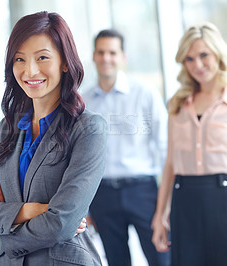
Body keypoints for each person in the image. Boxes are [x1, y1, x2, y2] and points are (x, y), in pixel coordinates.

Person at [0, 11, 107, 265]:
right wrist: (33, 209)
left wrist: (5, 226)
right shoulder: (7, 130)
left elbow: (61, 224)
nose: (30, 70)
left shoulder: (88, 128)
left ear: (65, 62)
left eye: (42, 57)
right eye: (20, 59)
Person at [82, 29, 170, 266]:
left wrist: (166, 203)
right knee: (116, 261)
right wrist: (85, 206)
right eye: (101, 52)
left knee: (162, 259)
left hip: (143, 191)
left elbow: (165, 148)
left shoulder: (145, 93)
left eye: (112, 52)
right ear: (93, 56)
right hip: (103, 194)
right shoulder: (84, 101)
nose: (106, 58)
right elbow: (80, 158)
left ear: (123, 56)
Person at [151, 22, 227, 266]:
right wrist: (160, 215)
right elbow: (170, 164)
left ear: (218, 53)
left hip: (226, 198)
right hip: (184, 199)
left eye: (203, 55)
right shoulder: (177, 104)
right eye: (189, 59)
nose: (197, 65)